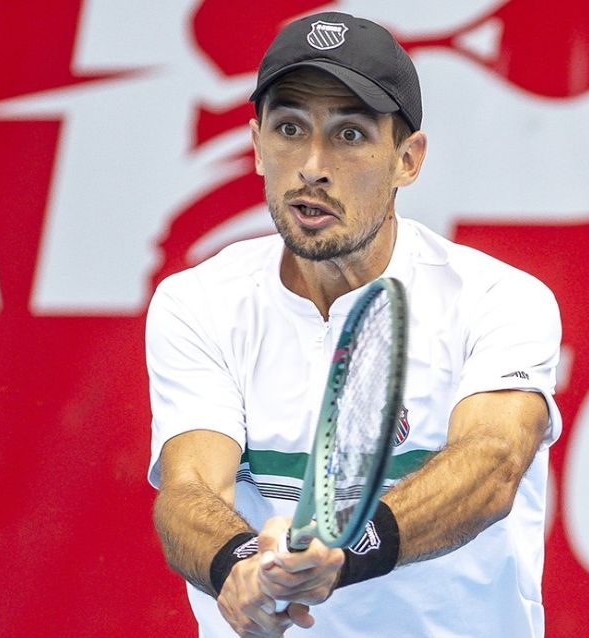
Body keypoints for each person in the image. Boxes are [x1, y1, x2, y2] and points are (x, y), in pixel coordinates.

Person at [146, 10, 562, 638]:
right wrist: (241, 565)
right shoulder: (197, 303)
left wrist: (344, 549)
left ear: (407, 160)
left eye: (349, 134)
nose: (312, 165)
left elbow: (493, 464)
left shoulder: (499, 300)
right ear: (256, 145)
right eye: (289, 128)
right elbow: (189, 488)